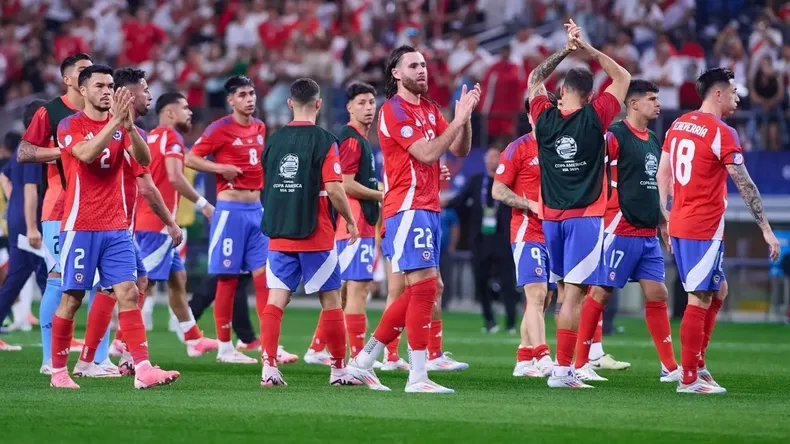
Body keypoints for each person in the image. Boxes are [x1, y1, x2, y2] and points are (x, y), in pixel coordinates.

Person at [348, 45, 480, 393]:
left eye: (424, 64)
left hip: (429, 207)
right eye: (413, 65)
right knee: (422, 288)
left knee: (428, 287)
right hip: (406, 207)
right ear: (396, 73)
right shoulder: (393, 111)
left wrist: (462, 120)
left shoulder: (429, 109)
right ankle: (417, 376)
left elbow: (459, 150)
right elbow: (427, 152)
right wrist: (455, 121)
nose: (422, 70)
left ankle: (363, 361)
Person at [50, 64, 179, 389]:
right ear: (83, 91)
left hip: (117, 228)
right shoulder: (71, 124)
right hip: (80, 226)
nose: (106, 91)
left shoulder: (123, 126)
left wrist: (129, 127)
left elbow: (144, 159)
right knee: (73, 298)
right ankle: (58, 372)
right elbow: (88, 154)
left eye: (110, 86)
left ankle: (143, 368)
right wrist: (114, 125)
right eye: (99, 86)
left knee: (129, 292)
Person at [657, 67, 779, 394]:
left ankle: (697, 364)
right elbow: (745, 182)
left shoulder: (677, 124)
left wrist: (665, 214)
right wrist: (766, 229)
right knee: (699, 298)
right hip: (702, 225)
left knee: (719, 291)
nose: (738, 97)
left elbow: (662, 175)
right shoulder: (722, 132)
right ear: (718, 94)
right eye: (734, 91)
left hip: (684, 220)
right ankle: (688, 378)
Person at [526, 19, 630, 389]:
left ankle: (561, 367)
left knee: (561, 294)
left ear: (561, 92)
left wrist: (564, 50)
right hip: (585, 216)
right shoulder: (594, 116)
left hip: (550, 219)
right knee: (575, 294)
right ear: (588, 96)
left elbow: (534, 79)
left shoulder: (543, 115)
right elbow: (623, 78)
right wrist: (587, 48)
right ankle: (563, 370)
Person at [572, 80, 678, 383]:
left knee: (658, 292)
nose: (657, 104)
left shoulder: (654, 140)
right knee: (601, 292)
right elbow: (590, 167)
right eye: (651, 98)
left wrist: (662, 223)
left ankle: (669, 367)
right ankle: (580, 363)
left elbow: (653, 186)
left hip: (647, 231)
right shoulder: (614, 136)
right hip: (619, 225)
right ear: (633, 104)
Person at [187, 75, 297, 365]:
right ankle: (225, 348)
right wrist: (219, 167)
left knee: (264, 280)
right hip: (230, 211)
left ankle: (268, 346)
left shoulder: (261, 127)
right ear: (231, 100)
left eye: (251, 94)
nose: (250, 99)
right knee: (227, 279)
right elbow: (191, 158)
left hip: (256, 211)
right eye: (243, 95)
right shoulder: (219, 128)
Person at [259, 78, 361, 387]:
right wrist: (350, 220)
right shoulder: (325, 139)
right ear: (318, 104)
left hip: (279, 232)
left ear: (289, 103)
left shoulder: (273, 141)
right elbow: (333, 187)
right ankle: (339, 370)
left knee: (276, 300)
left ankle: (269, 369)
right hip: (316, 232)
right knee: (331, 300)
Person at [17, 53, 95, 367]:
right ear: (67, 79)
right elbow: (24, 151)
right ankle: (50, 359)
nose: (90, 74)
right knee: (59, 280)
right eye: (83, 71)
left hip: (96, 208)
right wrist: (63, 153)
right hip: (60, 207)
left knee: (97, 285)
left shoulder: (100, 111)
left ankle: (95, 360)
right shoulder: (51, 111)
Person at [133, 91, 218, 357]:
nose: (189, 112)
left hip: (149, 220)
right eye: (184, 108)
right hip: (157, 223)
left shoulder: (150, 137)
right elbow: (174, 176)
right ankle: (123, 342)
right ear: (169, 113)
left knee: (177, 279)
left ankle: (193, 338)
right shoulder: (172, 136)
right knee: (142, 286)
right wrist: (203, 203)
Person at [303, 82, 382, 365]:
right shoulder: (350, 140)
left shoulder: (360, 138)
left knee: (346, 291)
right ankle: (358, 358)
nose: (368, 107)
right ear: (349, 107)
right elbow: (345, 185)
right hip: (354, 223)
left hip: (352, 223)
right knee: (358, 287)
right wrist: (382, 193)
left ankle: (316, 348)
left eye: (372, 102)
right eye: (361, 102)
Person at [492, 93, 559, 378]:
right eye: (539, 112)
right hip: (527, 230)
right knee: (536, 294)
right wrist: (529, 204)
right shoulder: (518, 148)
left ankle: (523, 357)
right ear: (530, 116)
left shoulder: (562, 148)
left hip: (556, 232)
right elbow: (498, 190)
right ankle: (543, 356)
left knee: (545, 299)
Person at [448, 147, 517, 334]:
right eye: (490, 157)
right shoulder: (477, 181)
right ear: (485, 160)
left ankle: (510, 322)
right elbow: (460, 200)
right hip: (480, 240)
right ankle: (489, 320)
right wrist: (442, 203)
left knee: (508, 282)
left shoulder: (509, 182)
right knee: (481, 281)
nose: (493, 160)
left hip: (503, 240)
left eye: (497, 157)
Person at [0, 101, 48, 351]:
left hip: (20, 218)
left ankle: (59, 333)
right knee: (44, 275)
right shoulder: (33, 148)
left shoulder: (23, 146)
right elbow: (30, 191)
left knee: (37, 275)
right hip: (30, 223)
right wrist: (31, 226)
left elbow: (5, 176)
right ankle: (59, 335)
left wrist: (13, 201)